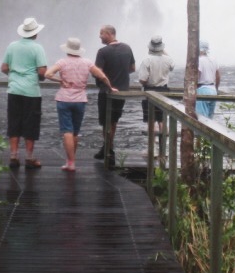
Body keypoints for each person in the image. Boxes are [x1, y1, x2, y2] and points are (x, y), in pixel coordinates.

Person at [45, 37, 114, 172]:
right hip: (80, 100)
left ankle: (70, 162)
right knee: (75, 132)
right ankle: (70, 160)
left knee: (67, 132)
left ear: (67, 49)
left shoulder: (62, 62)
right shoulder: (87, 63)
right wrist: (110, 87)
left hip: (64, 99)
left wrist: (60, 80)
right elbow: (102, 76)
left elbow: (47, 74)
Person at [1, 16, 48, 169]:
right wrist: (39, 77)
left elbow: (4, 68)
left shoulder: (12, 46)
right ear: (35, 33)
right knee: (30, 123)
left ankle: (14, 156)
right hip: (31, 92)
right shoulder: (37, 48)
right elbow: (42, 70)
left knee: (14, 122)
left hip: (14, 90)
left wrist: (15, 75)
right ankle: (29, 157)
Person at [93, 24, 135, 163]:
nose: (99, 36)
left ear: (110, 34)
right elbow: (132, 68)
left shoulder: (103, 52)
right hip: (122, 91)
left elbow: (97, 73)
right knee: (114, 121)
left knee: (105, 121)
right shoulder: (127, 48)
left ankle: (108, 149)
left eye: (101, 33)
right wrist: (121, 74)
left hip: (106, 91)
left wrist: (108, 78)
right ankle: (107, 148)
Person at [137, 36, 174, 133]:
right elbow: (172, 65)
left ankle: (151, 145)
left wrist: (147, 81)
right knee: (162, 120)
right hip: (164, 91)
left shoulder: (146, 61)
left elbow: (142, 79)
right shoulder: (168, 60)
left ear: (150, 47)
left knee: (151, 120)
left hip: (150, 91)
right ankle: (164, 144)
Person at [196, 40, 221, 118]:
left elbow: (197, 75)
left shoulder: (199, 60)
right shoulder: (213, 60)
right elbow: (218, 76)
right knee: (210, 118)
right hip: (212, 90)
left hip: (202, 89)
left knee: (201, 117)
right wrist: (216, 89)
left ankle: (199, 130)